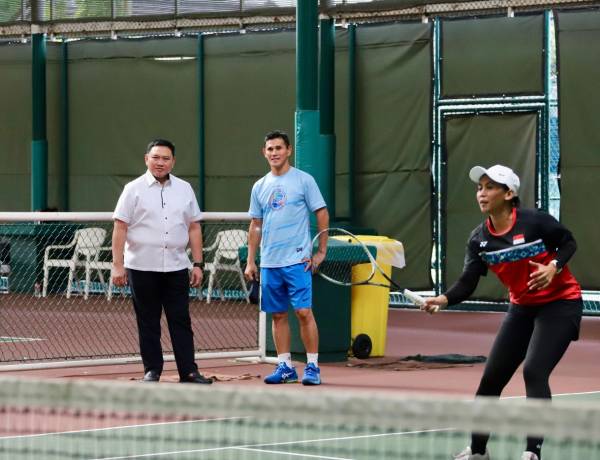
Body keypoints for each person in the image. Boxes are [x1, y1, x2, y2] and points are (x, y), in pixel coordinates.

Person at [422, 165, 583, 460]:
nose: (481, 193)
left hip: (560, 304)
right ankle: (478, 451)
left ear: (509, 194)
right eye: (479, 187)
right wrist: (442, 300)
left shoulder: (535, 222)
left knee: (534, 371)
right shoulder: (479, 239)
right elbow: (468, 281)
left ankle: (532, 452)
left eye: (489, 187)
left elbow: (568, 242)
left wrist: (553, 267)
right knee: (491, 379)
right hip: (521, 308)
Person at [111, 138, 212, 384]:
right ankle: (152, 370)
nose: (160, 162)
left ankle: (188, 371)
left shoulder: (185, 189)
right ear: (146, 159)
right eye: (155, 157)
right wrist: (117, 264)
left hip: (177, 266)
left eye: (166, 158)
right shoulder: (132, 189)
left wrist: (198, 264)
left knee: (181, 320)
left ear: (173, 162)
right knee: (148, 321)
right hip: (141, 266)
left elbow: (194, 227)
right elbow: (120, 227)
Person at [244, 130, 329, 386]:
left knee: (304, 312)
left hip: (298, 260)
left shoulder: (304, 180)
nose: (274, 153)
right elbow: (255, 224)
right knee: (278, 315)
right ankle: (285, 367)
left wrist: (321, 251)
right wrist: (251, 260)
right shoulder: (259, 186)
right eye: (270, 149)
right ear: (264, 152)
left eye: (279, 148)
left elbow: (322, 213)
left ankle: (312, 367)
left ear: (289, 150)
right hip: (270, 263)